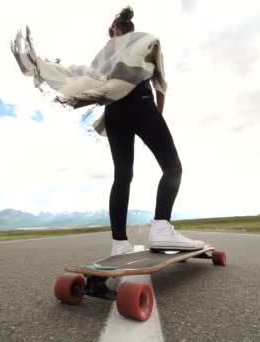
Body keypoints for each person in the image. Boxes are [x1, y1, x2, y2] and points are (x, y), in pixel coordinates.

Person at [105, 7, 205, 256]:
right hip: (140, 104)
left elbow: (96, 85)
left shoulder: (107, 54)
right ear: (130, 27)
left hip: (114, 113)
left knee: (122, 176)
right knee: (173, 168)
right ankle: (161, 228)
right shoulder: (146, 41)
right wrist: (156, 116)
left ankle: (119, 244)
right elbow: (160, 82)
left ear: (113, 31)